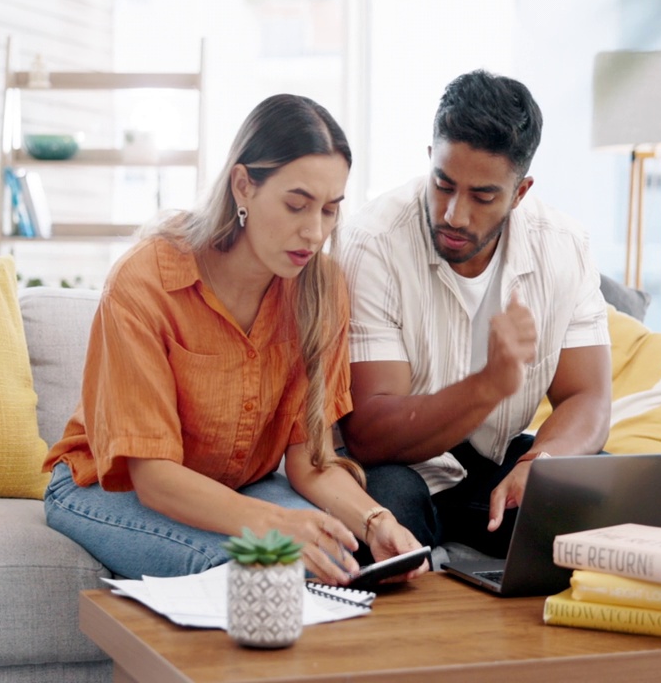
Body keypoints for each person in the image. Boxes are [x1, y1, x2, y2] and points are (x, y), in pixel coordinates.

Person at [42, 94, 428, 584]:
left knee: (354, 562)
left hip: (239, 489)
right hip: (107, 489)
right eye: (297, 204)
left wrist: (377, 523)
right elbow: (154, 479)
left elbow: (308, 462)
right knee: (258, 573)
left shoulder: (320, 289)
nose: (315, 232)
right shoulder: (145, 283)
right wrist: (277, 525)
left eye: (330, 210)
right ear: (243, 185)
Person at [338, 70, 613, 559]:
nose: (454, 215)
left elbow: (587, 396)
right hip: (400, 468)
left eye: (483, 196)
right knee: (389, 499)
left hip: (496, 459)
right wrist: (489, 385)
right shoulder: (373, 243)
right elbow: (369, 434)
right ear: (430, 160)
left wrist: (542, 462)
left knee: (598, 491)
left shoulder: (564, 247)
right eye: (443, 184)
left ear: (520, 192)